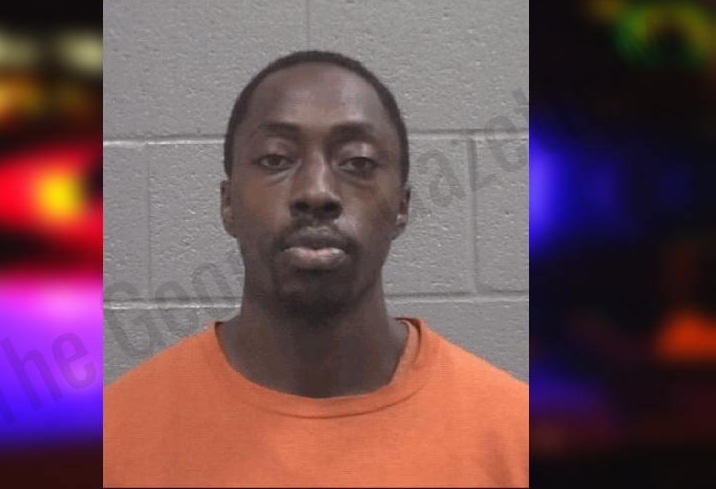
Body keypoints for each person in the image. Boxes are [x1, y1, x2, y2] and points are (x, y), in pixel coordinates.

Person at [104, 50, 528, 488]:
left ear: (401, 208)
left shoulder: (518, 439)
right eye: (275, 159)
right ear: (228, 204)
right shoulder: (111, 443)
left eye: (358, 162)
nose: (316, 191)